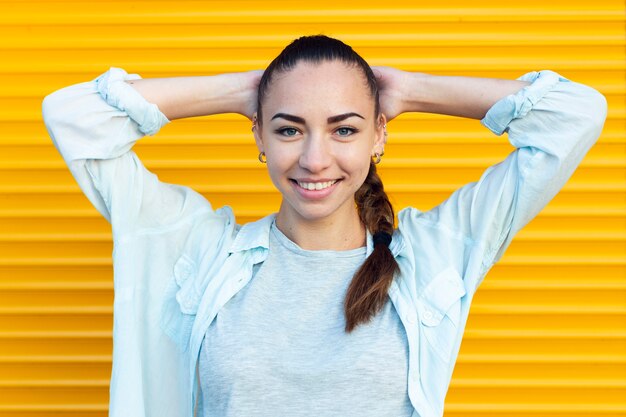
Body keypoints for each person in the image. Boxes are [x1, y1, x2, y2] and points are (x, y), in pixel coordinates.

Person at [42, 35, 607, 417]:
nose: (315, 159)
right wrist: (243, 89)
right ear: (258, 136)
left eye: (344, 130)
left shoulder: (435, 253)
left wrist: (410, 89)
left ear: (379, 136)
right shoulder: (196, 250)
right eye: (289, 130)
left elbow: (576, 116)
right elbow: (73, 118)